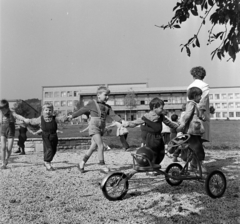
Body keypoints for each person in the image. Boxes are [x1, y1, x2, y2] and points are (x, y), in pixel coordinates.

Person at [68, 85, 122, 173]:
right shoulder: (92, 103)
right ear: (98, 95)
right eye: (105, 95)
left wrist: (122, 121)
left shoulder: (108, 107)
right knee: (100, 145)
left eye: (108, 95)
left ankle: (81, 163)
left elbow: (114, 115)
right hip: (94, 127)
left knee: (93, 147)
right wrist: (73, 116)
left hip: (101, 128)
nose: (107, 97)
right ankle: (102, 166)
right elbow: (82, 110)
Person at [124, 98, 179, 167]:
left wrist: (177, 127)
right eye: (161, 108)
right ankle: (150, 166)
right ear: (154, 108)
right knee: (152, 152)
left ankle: (155, 165)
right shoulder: (147, 116)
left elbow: (169, 123)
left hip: (159, 137)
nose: (162, 110)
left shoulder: (161, 116)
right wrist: (128, 124)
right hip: (151, 138)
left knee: (161, 152)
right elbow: (136, 122)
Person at [28, 102, 67, 171]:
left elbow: (61, 119)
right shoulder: (41, 119)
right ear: (43, 111)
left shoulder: (54, 118)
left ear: (52, 111)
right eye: (46, 110)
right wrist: (27, 121)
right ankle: (47, 162)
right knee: (49, 149)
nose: (48, 112)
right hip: (46, 135)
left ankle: (48, 161)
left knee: (53, 150)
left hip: (54, 135)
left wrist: (67, 117)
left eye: (50, 110)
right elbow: (33, 121)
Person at [177, 87, 205, 171]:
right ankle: (197, 164)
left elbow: (197, 115)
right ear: (195, 95)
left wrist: (202, 117)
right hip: (192, 131)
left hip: (195, 131)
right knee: (197, 147)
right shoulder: (191, 104)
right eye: (200, 96)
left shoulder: (195, 104)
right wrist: (182, 125)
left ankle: (193, 164)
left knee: (195, 147)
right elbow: (187, 115)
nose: (201, 98)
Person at [0, 99, 29, 169]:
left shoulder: (11, 113)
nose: (2, 111)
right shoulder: (0, 113)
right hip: (3, 132)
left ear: (7, 108)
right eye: (1, 109)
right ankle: (3, 163)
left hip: (11, 132)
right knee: (3, 147)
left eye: (3, 109)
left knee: (9, 149)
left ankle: (7, 159)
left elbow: (18, 116)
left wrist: (24, 119)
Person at [187, 66, 210, 142]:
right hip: (200, 114)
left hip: (190, 112)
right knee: (200, 135)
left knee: (191, 136)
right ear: (203, 75)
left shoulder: (190, 86)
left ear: (193, 75)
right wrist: (202, 114)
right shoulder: (205, 86)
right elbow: (203, 101)